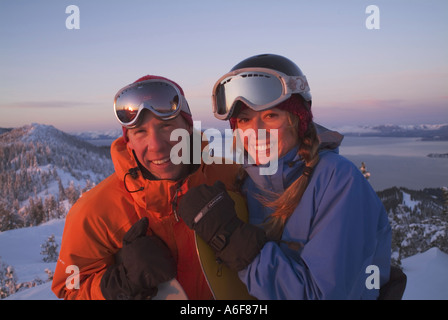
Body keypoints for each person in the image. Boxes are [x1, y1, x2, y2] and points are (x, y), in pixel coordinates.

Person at [178, 54, 398, 299]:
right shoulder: (248, 183)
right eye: (244, 119)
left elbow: (319, 295)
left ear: (297, 120)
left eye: (271, 116)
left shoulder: (338, 180)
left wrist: (233, 241)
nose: (256, 132)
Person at [51, 75, 240, 300]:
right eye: (140, 132)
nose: (157, 146)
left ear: (188, 128)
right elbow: (70, 287)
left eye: (167, 126)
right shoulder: (94, 213)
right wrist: (121, 284)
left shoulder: (231, 176)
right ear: (128, 141)